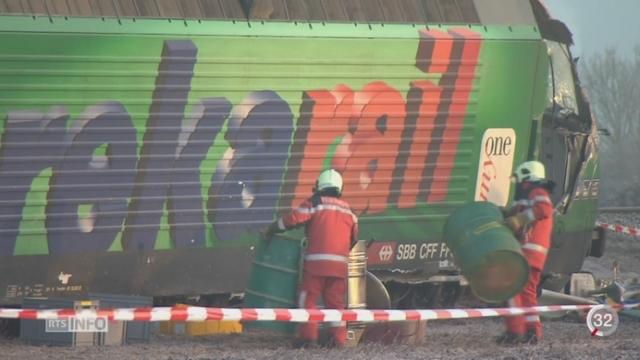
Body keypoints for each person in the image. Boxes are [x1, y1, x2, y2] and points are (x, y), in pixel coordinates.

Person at [262, 169, 358, 348]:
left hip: (316, 266)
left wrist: (271, 229)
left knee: (308, 300)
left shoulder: (315, 203)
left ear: (319, 186)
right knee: (336, 304)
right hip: (339, 268)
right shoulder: (349, 211)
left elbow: (291, 220)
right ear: (340, 188)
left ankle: (309, 339)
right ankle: (338, 341)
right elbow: (353, 239)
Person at [498, 160, 555, 345]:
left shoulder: (537, 193)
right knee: (527, 293)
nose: (519, 183)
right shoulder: (528, 196)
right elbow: (517, 214)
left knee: (511, 290)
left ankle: (515, 333)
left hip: (528, 253)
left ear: (528, 176)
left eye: (521, 178)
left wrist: (520, 219)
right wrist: (506, 214)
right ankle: (532, 333)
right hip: (534, 255)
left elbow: (544, 210)